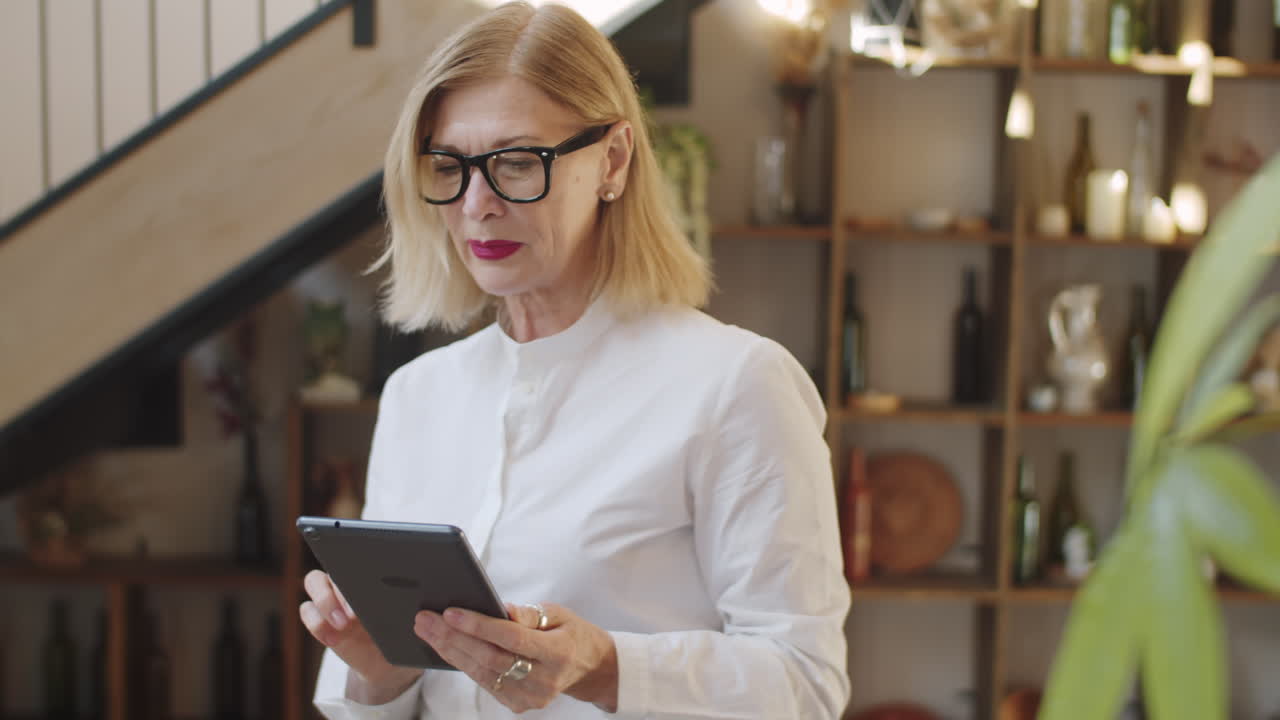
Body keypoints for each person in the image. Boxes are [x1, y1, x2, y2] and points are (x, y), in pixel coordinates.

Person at [298, 2, 850, 718]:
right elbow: (373, 706)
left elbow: (806, 686)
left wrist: (602, 666)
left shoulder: (736, 385)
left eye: (517, 162)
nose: (477, 204)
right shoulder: (418, 395)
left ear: (613, 160)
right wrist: (377, 676)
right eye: (449, 165)